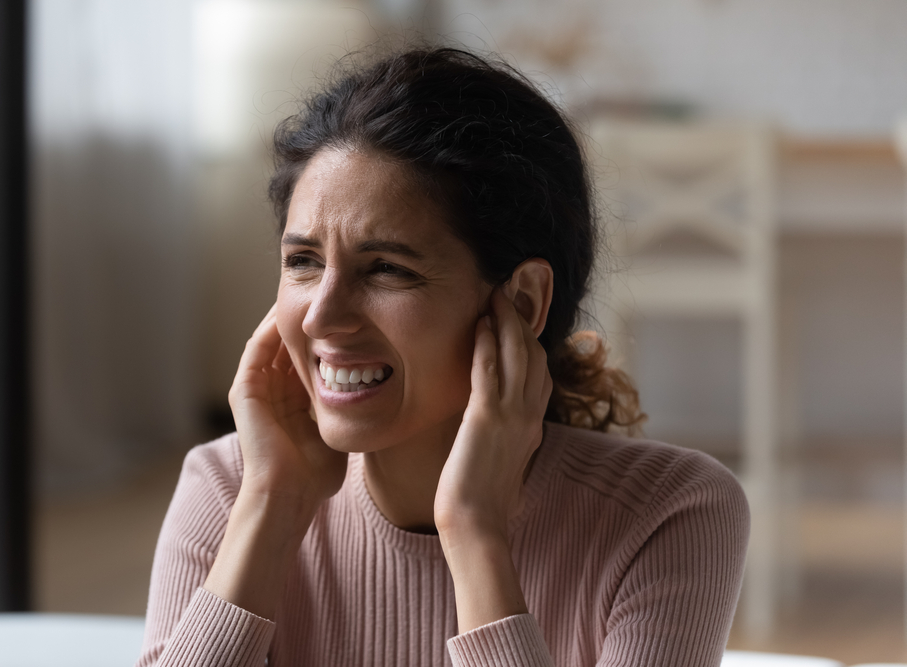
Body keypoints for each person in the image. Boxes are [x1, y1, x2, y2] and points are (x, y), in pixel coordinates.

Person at [136, 47, 749, 667]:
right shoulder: (229, 488)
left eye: (386, 269)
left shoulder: (667, 514)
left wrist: (476, 531)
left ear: (524, 301)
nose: (321, 315)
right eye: (304, 262)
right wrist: (271, 507)